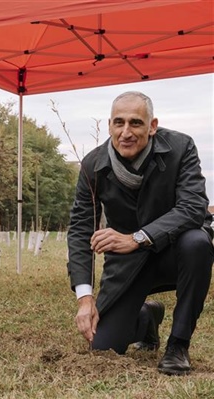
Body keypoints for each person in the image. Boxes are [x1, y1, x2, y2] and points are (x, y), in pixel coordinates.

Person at [67, 91, 213, 375]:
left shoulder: (181, 147)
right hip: (127, 264)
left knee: (197, 241)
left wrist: (136, 238)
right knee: (103, 346)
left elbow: (194, 206)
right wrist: (85, 298)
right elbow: (80, 227)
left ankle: (178, 345)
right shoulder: (92, 165)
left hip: (174, 252)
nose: (126, 132)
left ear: (152, 125)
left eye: (135, 123)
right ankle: (147, 317)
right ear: (109, 125)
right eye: (118, 123)